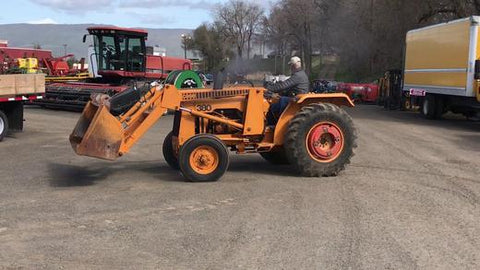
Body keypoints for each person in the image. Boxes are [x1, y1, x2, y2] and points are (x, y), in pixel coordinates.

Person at [265, 56, 309, 123]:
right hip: (296, 97)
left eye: (291, 66)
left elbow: (283, 86)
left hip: (296, 99)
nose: (290, 68)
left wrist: (268, 88)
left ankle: (272, 123)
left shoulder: (298, 76)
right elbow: (287, 86)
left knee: (275, 105)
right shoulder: (300, 74)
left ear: (293, 66)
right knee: (278, 99)